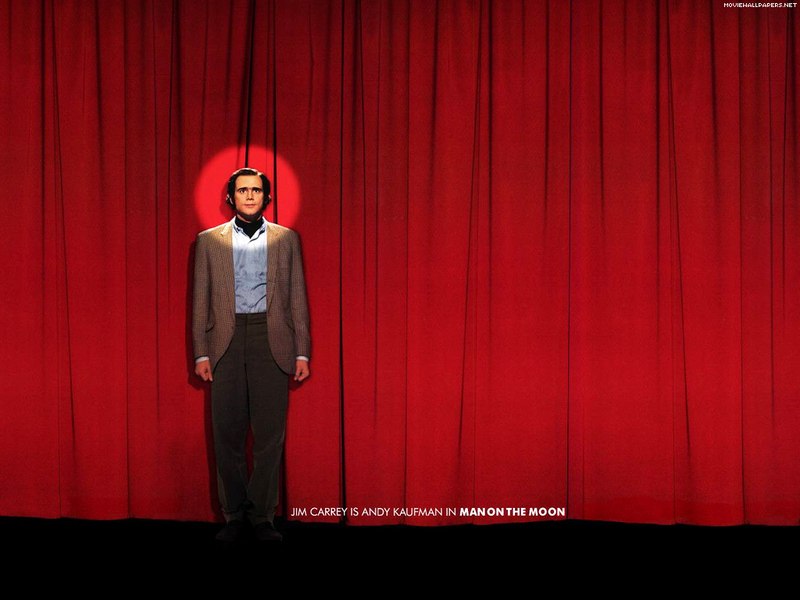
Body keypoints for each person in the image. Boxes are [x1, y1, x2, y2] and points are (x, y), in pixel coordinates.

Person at [192, 167, 310, 543]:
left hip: (271, 339)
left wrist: (303, 352)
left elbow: (297, 297)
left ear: (266, 197)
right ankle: (233, 516)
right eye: (242, 190)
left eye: (256, 190)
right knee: (226, 434)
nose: (249, 195)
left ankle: (262, 517)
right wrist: (200, 353)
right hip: (224, 341)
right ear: (231, 197)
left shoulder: (286, 239)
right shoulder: (208, 241)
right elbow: (200, 301)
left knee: (269, 436)